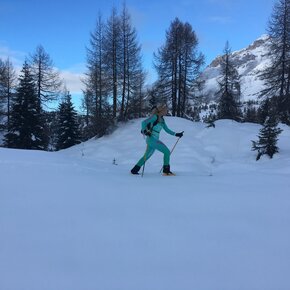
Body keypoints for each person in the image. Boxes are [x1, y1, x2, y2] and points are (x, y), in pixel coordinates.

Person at [131, 104, 183, 176]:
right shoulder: (155, 117)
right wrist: (144, 131)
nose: (166, 111)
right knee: (167, 152)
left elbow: (167, 130)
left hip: (153, 140)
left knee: (147, 156)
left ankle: (134, 170)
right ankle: (166, 171)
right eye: (165, 110)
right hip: (152, 139)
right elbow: (143, 122)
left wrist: (176, 134)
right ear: (161, 110)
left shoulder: (162, 120)